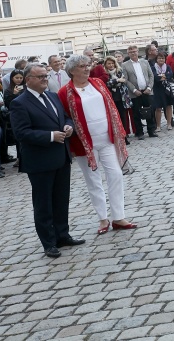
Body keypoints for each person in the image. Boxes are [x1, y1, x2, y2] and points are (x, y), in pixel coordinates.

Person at [9, 63, 84, 258]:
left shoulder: (52, 96)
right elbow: (21, 133)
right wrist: (50, 136)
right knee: (43, 203)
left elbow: (66, 118)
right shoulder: (19, 103)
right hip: (40, 160)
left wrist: (68, 127)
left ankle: (62, 235)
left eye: (46, 76)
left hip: (61, 156)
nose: (45, 79)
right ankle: (49, 242)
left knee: (61, 199)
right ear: (28, 80)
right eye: (40, 76)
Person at [58, 55, 136, 236]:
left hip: (107, 138)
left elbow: (111, 107)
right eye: (81, 66)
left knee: (115, 174)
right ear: (72, 71)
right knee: (93, 181)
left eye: (87, 65)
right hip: (84, 144)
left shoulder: (98, 83)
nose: (87, 68)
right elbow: (65, 116)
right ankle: (102, 218)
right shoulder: (64, 92)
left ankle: (118, 216)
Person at [122, 45, 157, 139]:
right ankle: (140, 132)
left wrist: (149, 88)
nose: (133, 53)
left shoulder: (145, 62)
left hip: (147, 91)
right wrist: (134, 90)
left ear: (138, 52)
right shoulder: (125, 65)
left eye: (134, 51)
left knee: (150, 111)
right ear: (128, 54)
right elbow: (125, 80)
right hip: (135, 93)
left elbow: (151, 76)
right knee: (136, 114)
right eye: (131, 52)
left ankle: (151, 131)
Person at [103, 57, 132, 144]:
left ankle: (124, 137)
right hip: (111, 99)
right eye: (109, 63)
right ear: (106, 65)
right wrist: (118, 80)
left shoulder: (119, 71)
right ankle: (116, 137)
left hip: (121, 98)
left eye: (112, 63)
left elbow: (124, 80)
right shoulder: (105, 74)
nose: (111, 65)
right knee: (114, 118)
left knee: (123, 117)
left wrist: (115, 81)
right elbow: (108, 84)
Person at [151, 53, 174, 131]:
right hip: (157, 89)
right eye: (159, 58)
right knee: (158, 108)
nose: (161, 60)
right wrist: (163, 76)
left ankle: (169, 124)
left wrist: (162, 76)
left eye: (163, 58)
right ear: (156, 59)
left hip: (167, 89)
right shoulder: (153, 67)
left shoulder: (167, 67)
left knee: (168, 106)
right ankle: (158, 126)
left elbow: (170, 74)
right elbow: (154, 76)